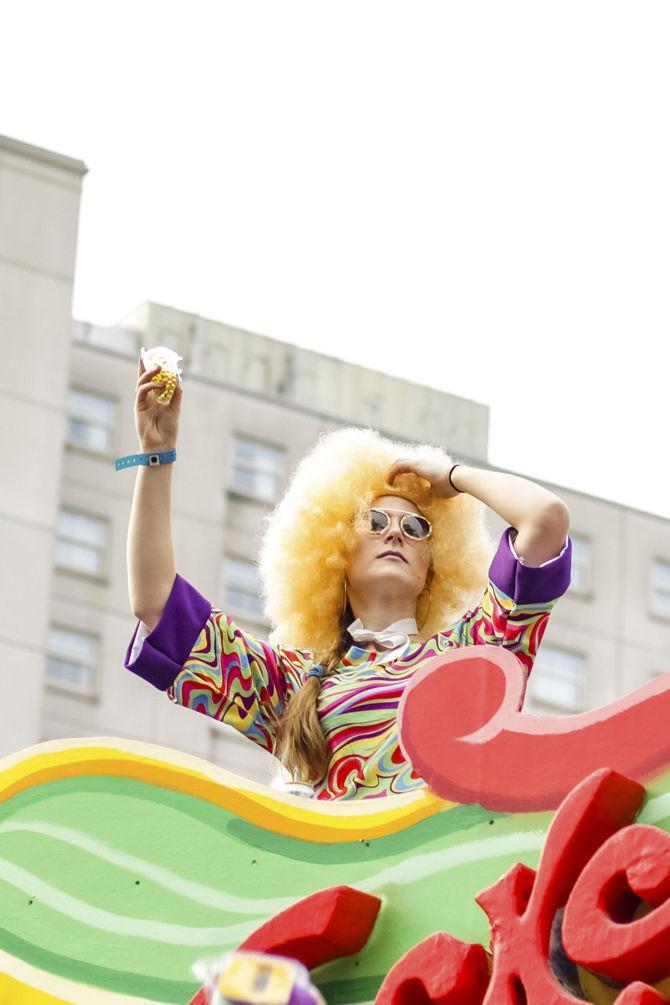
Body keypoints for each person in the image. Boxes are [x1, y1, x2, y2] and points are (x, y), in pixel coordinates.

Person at [123, 353, 571, 800]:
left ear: (432, 570)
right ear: (335, 553)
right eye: (374, 522)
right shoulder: (293, 682)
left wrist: (453, 478)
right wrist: (156, 454)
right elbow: (156, 604)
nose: (395, 531)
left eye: (415, 528)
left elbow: (545, 520)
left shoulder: (471, 652)